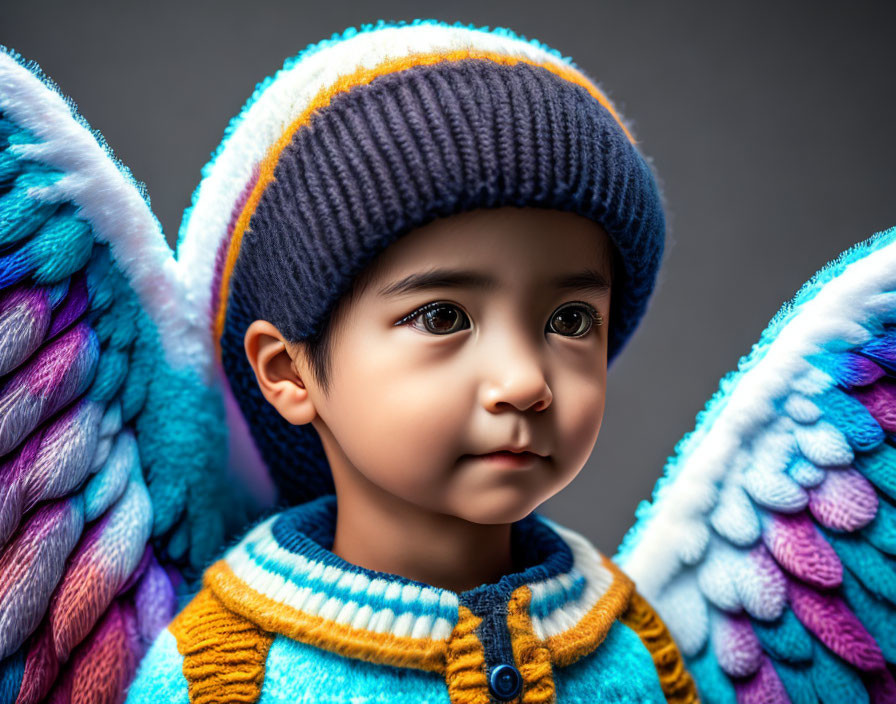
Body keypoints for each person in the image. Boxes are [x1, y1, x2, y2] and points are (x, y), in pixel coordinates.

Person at [124, 19, 697, 703]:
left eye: (570, 321)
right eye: (442, 317)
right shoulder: (222, 676)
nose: (524, 382)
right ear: (288, 372)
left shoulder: (631, 650)